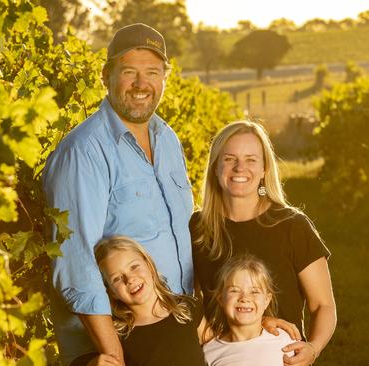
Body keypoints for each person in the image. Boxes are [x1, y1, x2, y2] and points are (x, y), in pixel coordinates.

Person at [42, 23, 194, 366]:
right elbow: (75, 263)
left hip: (174, 331)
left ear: (165, 78)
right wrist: (114, 355)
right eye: (130, 72)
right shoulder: (84, 151)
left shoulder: (168, 139)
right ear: (105, 75)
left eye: (153, 72)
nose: (142, 84)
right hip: (121, 341)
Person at [191, 121, 336, 366]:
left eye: (250, 160)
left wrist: (313, 348)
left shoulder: (292, 225)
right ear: (215, 167)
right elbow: (189, 299)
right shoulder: (198, 227)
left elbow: (323, 305)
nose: (239, 168)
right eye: (229, 159)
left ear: (264, 170)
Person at [92, 236, 208, 366]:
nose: (129, 279)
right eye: (117, 278)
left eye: (134, 267)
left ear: (149, 265)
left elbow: (217, 347)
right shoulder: (116, 333)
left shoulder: (187, 307)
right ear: (112, 292)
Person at [203, 254, 295, 366]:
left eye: (254, 292)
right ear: (221, 299)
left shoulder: (285, 341)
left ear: (267, 300)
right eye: (234, 291)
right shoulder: (210, 352)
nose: (245, 298)